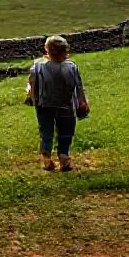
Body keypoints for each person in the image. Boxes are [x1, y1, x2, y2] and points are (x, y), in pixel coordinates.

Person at [24, 35, 89, 172]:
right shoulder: (71, 67)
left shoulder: (38, 66)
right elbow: (78, 86)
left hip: (43, 105)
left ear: (47, 50)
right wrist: (82, 102)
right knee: (66, 131)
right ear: (65, 52)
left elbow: (32, 84)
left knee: (46, 131)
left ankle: (47, 159)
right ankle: (64, 157)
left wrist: (31, 97)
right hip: (66, 106)